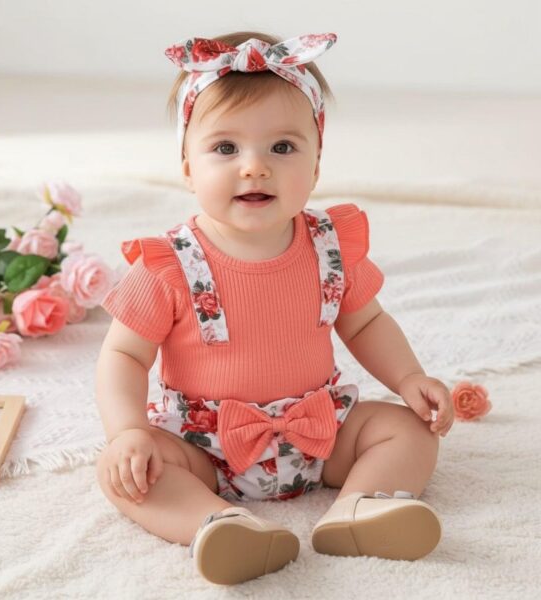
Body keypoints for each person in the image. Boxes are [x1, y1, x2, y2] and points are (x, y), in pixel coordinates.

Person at [95, 30, 455, 586]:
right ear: (187, 167)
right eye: (225, 148)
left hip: (319, 429)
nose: (254, 167)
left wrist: (409, 378)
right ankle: (218, 524)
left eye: (282, 148)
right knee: (129, 473)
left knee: (408, 432)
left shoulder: (331, 247)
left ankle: (358, 508)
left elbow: (367, 323)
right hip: (203, 444)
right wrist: (126, 431)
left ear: (316, 166)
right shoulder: (168, 264)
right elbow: (123, 355)